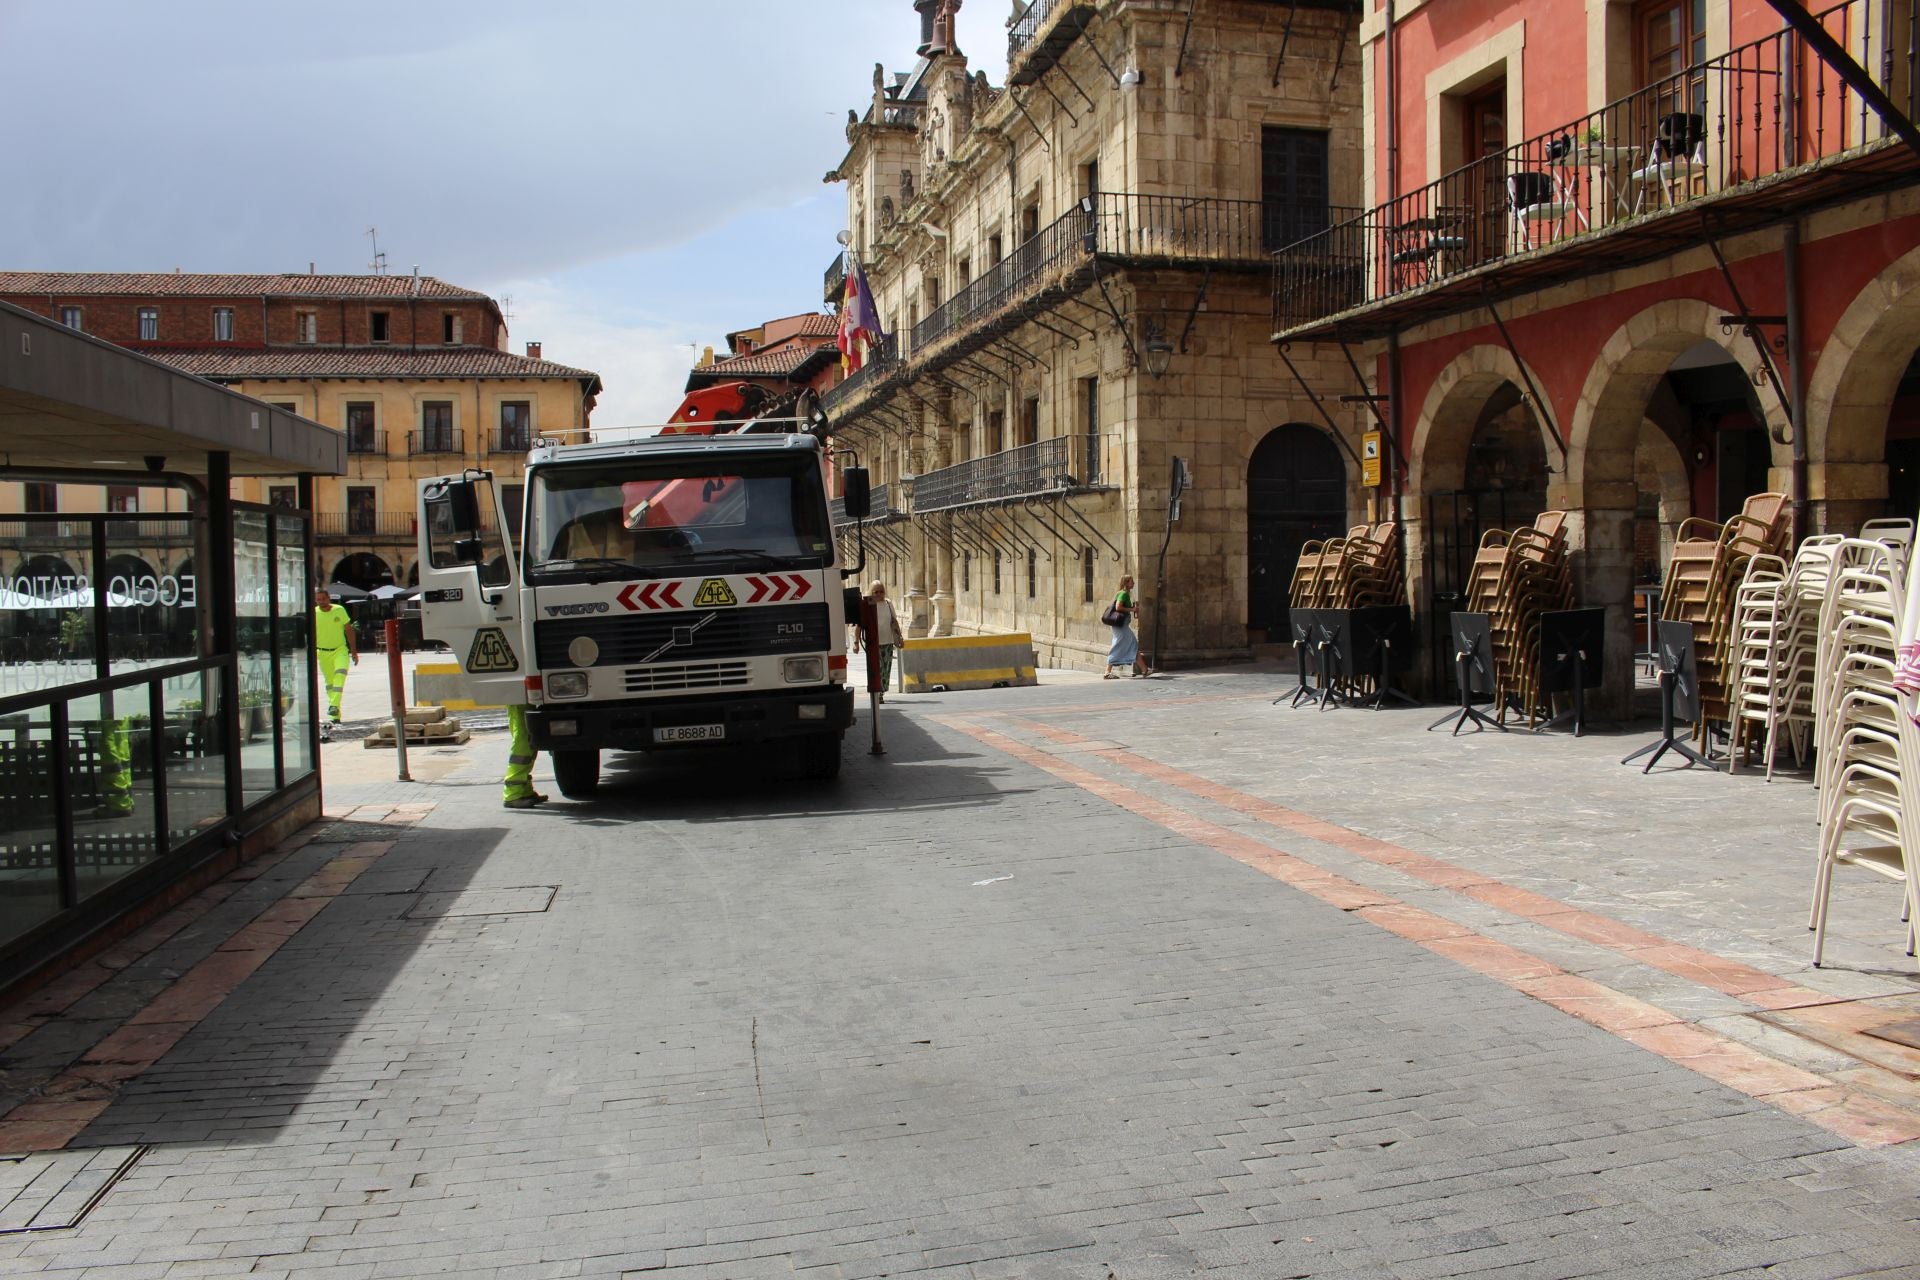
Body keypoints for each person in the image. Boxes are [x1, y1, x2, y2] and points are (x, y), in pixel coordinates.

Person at [313, 588, 358, 738]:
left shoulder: (339, 610)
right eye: (318, 600)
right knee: (330, 684)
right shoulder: (314, 613)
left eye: (323, 599)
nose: (321, 602)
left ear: (328, 599)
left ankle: (333, 705)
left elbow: (349, 630)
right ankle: (335, 715)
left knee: (340, 674)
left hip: (340, 650)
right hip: (322, 651)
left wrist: (353, 650)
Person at [850, 580, 902, 702]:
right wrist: (856, 643)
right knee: (877, 669)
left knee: (886, 670)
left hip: (888, 643)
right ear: (871, 592)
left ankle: (881, 692)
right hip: (873, 644)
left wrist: (899, 637)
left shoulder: (888, 603)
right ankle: (878, 693)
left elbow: (894, 622)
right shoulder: (867, 605)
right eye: (876, 592)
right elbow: (859, 626)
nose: (879, 594)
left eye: (881, 591)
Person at [1104, 574, 1153, 679]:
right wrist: (1132, 609)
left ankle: (1144, 670)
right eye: (1131, 581)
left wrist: (1133, 609)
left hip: (1121, 625)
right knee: (1120, 645)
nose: (1133, 583)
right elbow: (1118, 607)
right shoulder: (1124, 594)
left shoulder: (1124, 593)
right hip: (1121, 626)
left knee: (1132, 645)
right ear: (1126, 583)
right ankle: (1107, 672)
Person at [502, 704, 548, 809]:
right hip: (520, 699)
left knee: (526, 740)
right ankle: (513, 795)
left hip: (518, 698)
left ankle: (524, 792)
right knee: (523, 740)